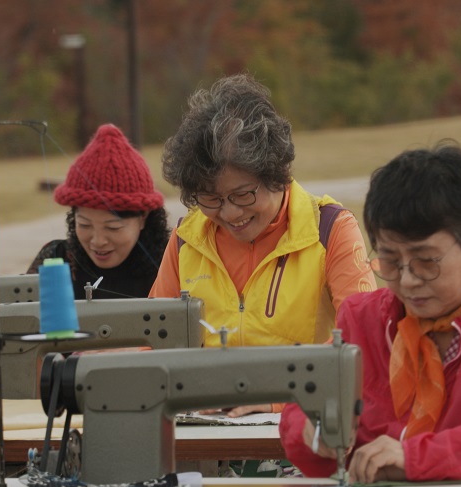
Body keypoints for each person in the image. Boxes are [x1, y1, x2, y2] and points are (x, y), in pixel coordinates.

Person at [280, 140, 461, 486]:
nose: (407, 280)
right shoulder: (363, 318)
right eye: (390, 261)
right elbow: (300, 406)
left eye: (426, 261)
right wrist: (314, 430)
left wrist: (417, 457)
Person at [150, 73, 375, 417]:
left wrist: (279, 397)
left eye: (243, 195)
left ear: (278, 173)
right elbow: (152, 340)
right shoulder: (186, 239)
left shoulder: (330, 230)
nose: (228, 213)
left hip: (302, 427)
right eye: (210, 199)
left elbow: (362, 343)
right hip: (205, 433)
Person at [27, 123, 170, 299]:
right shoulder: (56, 260)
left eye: (113, 227)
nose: (98, 241)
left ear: (143, 217)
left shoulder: (171, 266)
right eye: (85, 225)